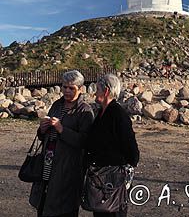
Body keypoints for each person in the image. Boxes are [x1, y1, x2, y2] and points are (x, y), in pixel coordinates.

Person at [29, 70, 94, 216]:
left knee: (65, 208)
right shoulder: (57, 105)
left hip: (69, 168)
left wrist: (62, 129)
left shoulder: (85, 111)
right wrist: (42, 129)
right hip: (48, 163)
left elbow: (85, 141)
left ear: (80, 89)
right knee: (44, 202)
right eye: (64, 87)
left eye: (72, 88)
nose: (67, 91)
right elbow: (44, 136)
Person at [86, 73, 139, 217]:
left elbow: (132, 150)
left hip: (113, 180)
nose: (95, 92)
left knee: (112, 212)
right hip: (101, 177)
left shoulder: (118, 114)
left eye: (97, 89)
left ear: (106, 91)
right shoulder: (102, 112)